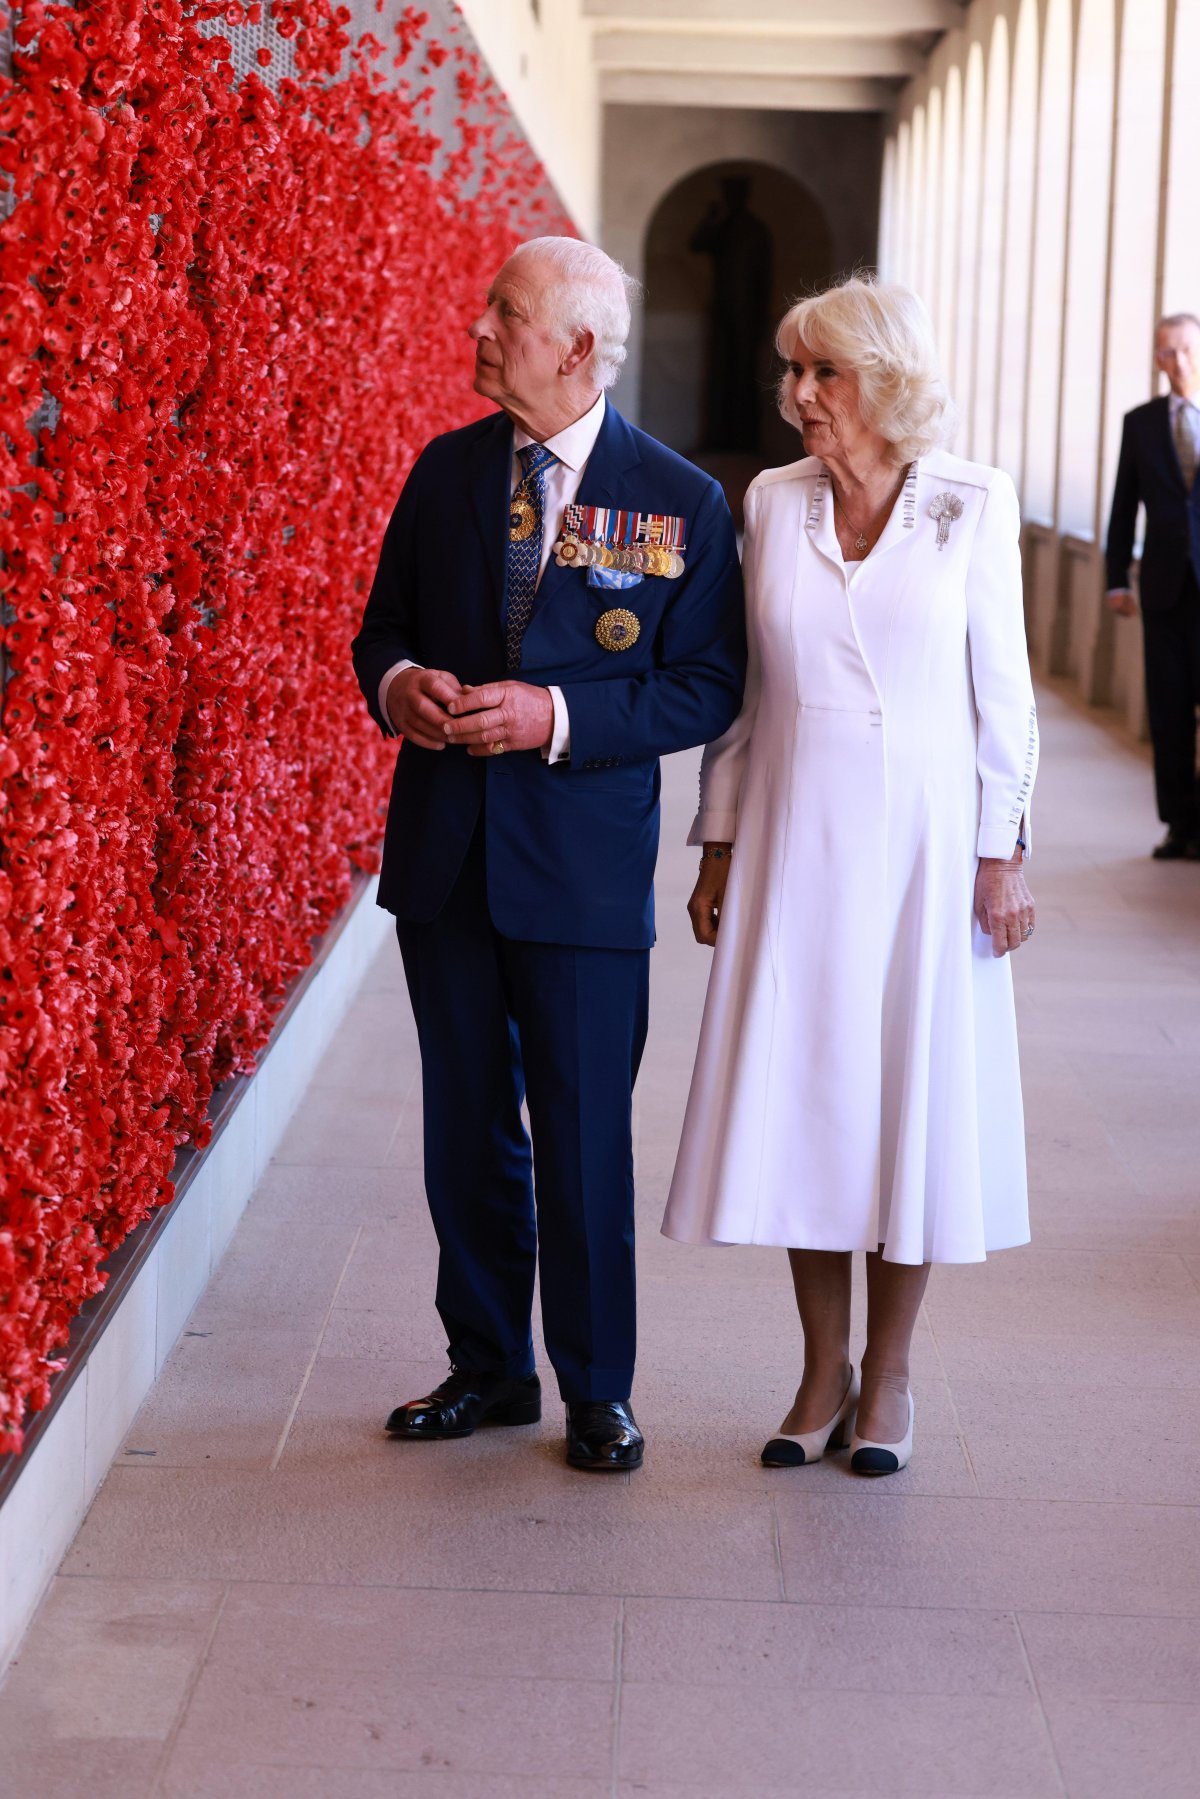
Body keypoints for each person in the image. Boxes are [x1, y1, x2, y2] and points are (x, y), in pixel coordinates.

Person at [352, 237, 745, 1473]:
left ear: (578, 346)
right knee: (464, 1125)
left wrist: (557, 717)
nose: (478, 325)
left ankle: (596, 1386)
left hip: (579, 872)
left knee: (582, 1132)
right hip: (447, 858)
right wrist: (403, 684)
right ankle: (487, 1366)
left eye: (504, 311)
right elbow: (384, 630)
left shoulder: (680, 498)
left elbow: (706, 685)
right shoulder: (444, 471)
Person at [662, 277, 1038, 1477]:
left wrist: (1002, 850)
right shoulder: (771, 501)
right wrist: (718, 838)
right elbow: (745, 690)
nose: (797, 395)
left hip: (929, 846)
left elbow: (1006, 695)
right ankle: (820, 1366)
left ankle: (892, 1373)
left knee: (907, 1101)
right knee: (806, 1101)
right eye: (791, 372)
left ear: (884, 378)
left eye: (821, 372)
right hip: (794, 835)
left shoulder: (972, 500)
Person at [1105, 313, 1200, 859]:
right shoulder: (1139, 423)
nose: (1178, 361)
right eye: (1167, 352)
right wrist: (1117, 578)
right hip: (1163, 586)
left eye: (1186, 349)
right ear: (1158, 359)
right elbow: (1123, 506)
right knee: (1168, 709)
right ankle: (1179, 825)